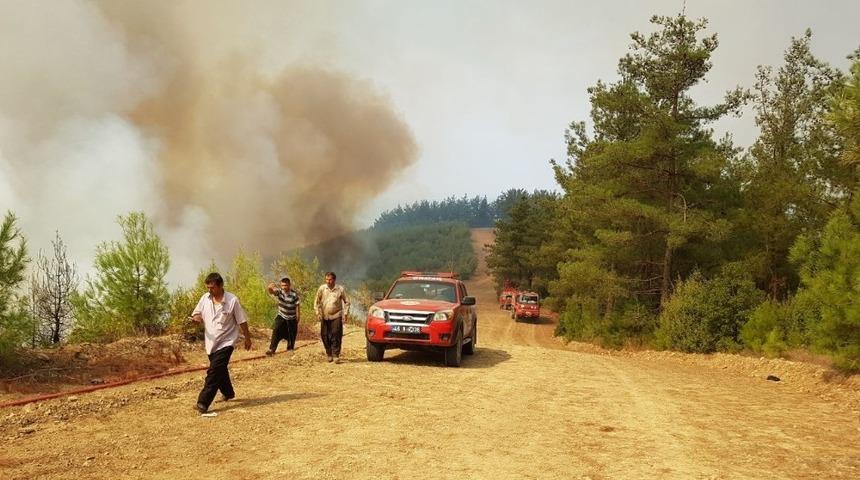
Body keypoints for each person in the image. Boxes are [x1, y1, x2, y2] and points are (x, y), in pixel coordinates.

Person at [190, 272, 252, 414]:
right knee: (220, 370)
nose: (209, 290)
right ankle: (228, 392)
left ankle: (203, 402)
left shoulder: (232, 300)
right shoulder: (205, 298)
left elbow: (242, 321)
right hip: (211, 342)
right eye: (208, 288)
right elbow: (197, 312)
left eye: (212, 288)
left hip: (227, 342)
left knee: (213, 372)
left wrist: (247, 338)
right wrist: (196, 318)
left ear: (221, 286)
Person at [313, 271, 349, 363]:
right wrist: (317, 313)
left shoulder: (340, 289)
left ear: (334, 280)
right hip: (324, 315)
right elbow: (316, 301)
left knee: (336, 334)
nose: (328, 281)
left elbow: (347, 301)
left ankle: (336, 355)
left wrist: (345, 314)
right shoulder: (322, 288)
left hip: (336, 315)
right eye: (326, 279)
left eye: (330, 280)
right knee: (324, 335)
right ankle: (329, 353)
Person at [265, 277, 301, 355]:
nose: (284, 287)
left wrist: (298, 317)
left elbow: (297, 306)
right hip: (281, 316)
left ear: (289, 285)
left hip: (291, 317)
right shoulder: (280, 292)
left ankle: (290, 349)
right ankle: (271, 349)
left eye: (286, 285)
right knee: (276, 330)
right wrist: (269, 288)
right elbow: (272, 292)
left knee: (291, 334)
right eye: (282, 285)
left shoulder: (294, 294)